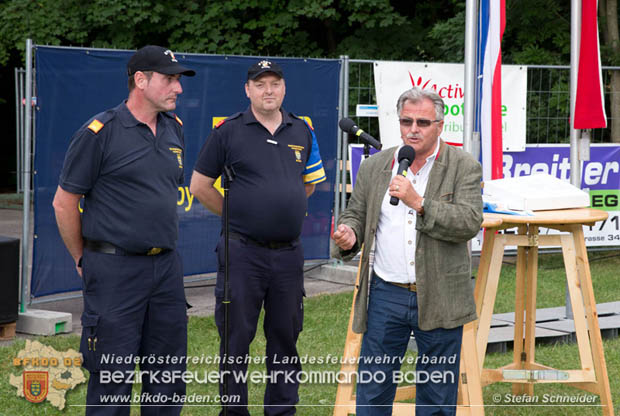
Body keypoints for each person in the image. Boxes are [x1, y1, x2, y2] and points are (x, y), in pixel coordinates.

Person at [52, 45, 195, 415]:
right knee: (112, 376)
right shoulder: (99, 132)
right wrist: (82, 257)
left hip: (166, 270)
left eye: (178, 80)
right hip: (114, 271)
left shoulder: (174, 128)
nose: (178, 88)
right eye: (169, 79)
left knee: (167, 376)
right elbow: (64, 203)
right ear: (141, 80)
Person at [332, 87, 483, 415]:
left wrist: (419, 203)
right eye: (406, 121)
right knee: (372, 391)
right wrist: (349, 234)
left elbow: (469, 222)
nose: (413, 129)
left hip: (442, 293)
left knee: (437, 397)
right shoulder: (376, 167)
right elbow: (356, 213)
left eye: (423, 122)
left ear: (440, 126)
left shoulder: (463, 166)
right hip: (386, 294)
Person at [190, 59, 326, 415]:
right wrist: (239, 215)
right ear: (247, 90)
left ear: (284, 88)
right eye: (261, 84)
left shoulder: (302, 130)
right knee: (236, 340)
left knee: (285, 337)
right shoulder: (227, 132)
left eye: (275, 84)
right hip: (242, 254)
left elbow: (309, 183)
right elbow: (200, 186)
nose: (269, 91)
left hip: (288, 255)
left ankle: (281, 411)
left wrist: (284, 204)